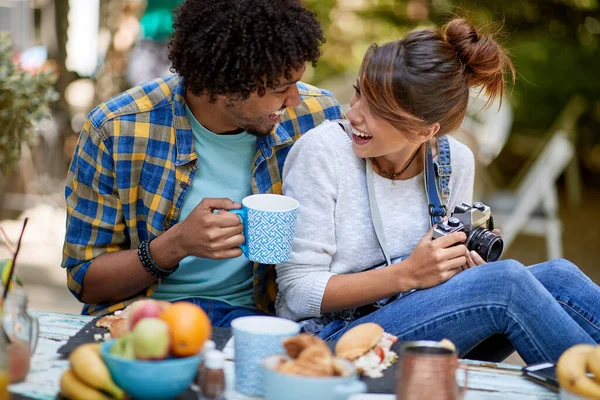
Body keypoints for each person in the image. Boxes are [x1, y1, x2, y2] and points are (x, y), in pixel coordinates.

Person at [276, 18, 600, 364]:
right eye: (358, 92)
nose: (353, 113)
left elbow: (439, 289)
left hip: (413, 324)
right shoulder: (323, 152)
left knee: (560, 276)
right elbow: (297, 292)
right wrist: (407, 274)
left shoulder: (452, 162)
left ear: (425, 129)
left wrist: (461, 270)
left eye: (377, 109)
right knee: (505, 284)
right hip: (328, 341)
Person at [62, 0, 343, 325]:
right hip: (145, 320)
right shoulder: (117, 128)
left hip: (264, 319)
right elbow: (85, 279)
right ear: (225, 84)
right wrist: (175, 244)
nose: (294, 99)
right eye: (281, 88)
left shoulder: (316, 117)